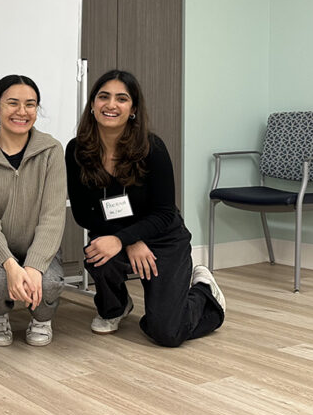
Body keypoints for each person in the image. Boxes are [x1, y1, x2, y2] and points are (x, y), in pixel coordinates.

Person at [65, 69, 226, 346]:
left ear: (134, 108)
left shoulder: (153, 147)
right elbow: (83, 213)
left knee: (166, 332)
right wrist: (124, 241)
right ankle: (115, 307)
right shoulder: (77, 150)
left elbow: (165, 213)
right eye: (103, 97)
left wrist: (127, 239)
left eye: (122, 98)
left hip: (163, 237)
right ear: (92, 104)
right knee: (97, 253)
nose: (111, 105)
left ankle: (204, 292)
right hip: (113, 232)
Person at [0, 74, 68, 347]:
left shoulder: (52, 150)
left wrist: (34, 266)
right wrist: (10, 264)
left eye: (30, 104)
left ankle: (42, 318)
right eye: (13, 103)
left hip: (40, 245)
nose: (22, 112)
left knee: (47, 282)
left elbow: (53, 216)